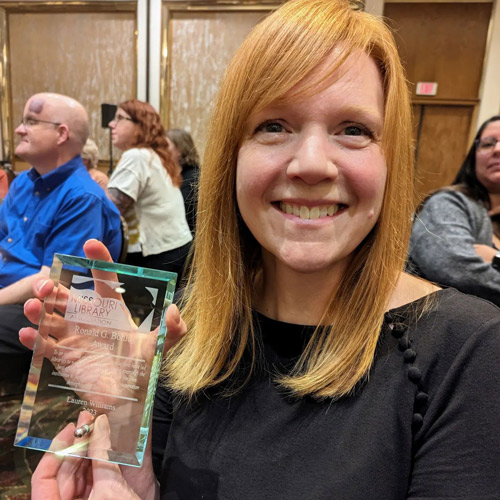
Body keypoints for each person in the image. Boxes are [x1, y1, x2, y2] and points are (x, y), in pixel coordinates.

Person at [22, 1, 500, 498]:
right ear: (231, 158)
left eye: (353, 130)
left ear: (391, 162)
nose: (312, 164)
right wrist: (120, 440)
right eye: (273, 125)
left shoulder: (469, 351)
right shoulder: (192, 326)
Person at [0, 92, 121, 393]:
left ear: (61, 133)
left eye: (30, 121)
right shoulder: (24, 183)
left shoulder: (82, 197)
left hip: (50, 307)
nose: (19, 129)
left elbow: (48, 282)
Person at [409, 115, 500, 306]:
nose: (497, 150)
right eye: (488, 144)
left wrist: (494, 257)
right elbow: (458, 269)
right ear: (474, 155)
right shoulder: (448, 203)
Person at [107, 100, 192, 278]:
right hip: (175, 247)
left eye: (120, 118)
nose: (111, 124)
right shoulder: (155, 155)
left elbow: (110, 211)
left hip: (155, 255)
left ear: (141, 125)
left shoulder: (136, 156)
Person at [166, 128, 200, 234]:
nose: (161, 150)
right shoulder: (171, 175)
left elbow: (184, 216)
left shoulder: (193, 178)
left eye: (166, 145)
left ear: (180, 149)